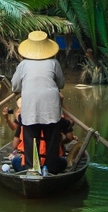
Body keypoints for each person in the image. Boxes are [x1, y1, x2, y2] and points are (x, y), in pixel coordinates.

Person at [10, 30, 66, 174]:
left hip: (30, 110)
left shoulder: (23, 65)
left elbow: (15, 86)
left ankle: (31, 169)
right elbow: (61, 84)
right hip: (51, 109)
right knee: (52, 141)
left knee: (30, 141)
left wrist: (26, 86)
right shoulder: (54, 63)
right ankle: (51, 169)